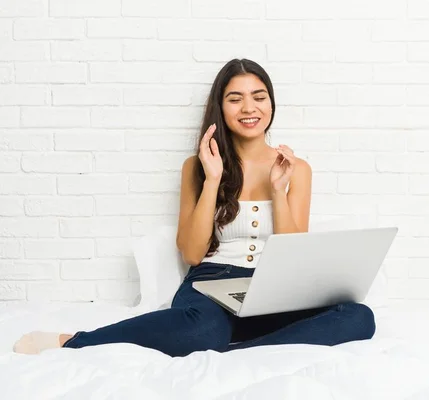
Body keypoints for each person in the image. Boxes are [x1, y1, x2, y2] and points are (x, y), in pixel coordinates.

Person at [13, 59, 376, 357]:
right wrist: (213, 179)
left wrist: (279, 191)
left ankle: (236, 351)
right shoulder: (197, 167)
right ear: (221, 107)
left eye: (258, 97)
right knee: (203, 329)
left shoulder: (297, 169)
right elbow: (192, 251)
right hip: (211, 284)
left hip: (275, 289)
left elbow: (295, 252)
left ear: (271, 103)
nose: (249, 108)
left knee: (359, 318)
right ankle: (73, 340)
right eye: (235, 99)